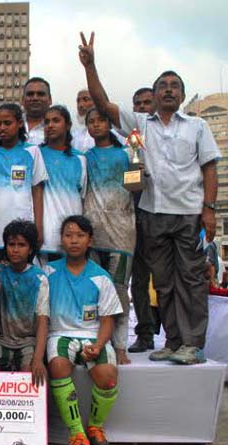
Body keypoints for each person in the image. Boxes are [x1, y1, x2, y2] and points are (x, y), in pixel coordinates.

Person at [80, 31, 220, 364]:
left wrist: (209, 210)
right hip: (152, 212)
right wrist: (90, 65)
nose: (168, 90)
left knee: (191, 280)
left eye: (175, 86)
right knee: (165, 282)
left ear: (182, 95)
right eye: (163, 86)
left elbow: (210, 170)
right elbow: (103, 104)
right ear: (154, 95)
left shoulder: (197, 126)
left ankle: (193, 344)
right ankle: (173, 341)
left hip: (188, 213)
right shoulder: (141, 124)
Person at [46, 215, 122, 445]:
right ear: (61, 240)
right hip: (60, 334)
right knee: (58, 366)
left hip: (92, 336)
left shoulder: (101, 277)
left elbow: (108, 319)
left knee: (108, 377)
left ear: (90, 240)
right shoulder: (48, 271)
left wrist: (99, 345)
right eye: (68, 235)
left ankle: (95, 427)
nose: (74, 240)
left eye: (80, 235)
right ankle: (77, 435)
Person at [82, 108, 135, 365]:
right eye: (90, 122)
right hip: (92, 235)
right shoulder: (84, 157)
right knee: (95, 293)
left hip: (122, 234)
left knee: (119, 292)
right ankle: (100, 344)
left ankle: (121, 346)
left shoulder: (126, 153)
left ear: (109, 123)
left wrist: (137, 159)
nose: (95, 125)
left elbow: (137, 187)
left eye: (101, 120)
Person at [0, 103, 47, 270]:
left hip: (23, 233)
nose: (2, 128)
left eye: (7, 123)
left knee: (20, 282)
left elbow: (37, 190)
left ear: (19, 123)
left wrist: (38, 226)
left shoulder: (32, 151)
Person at [0, 220, 48, 387]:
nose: (15, 249)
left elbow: (43, 321)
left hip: (28, 340)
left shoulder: (39, 278)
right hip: (1, 338)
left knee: (31, 375)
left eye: (21, 245)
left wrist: (38, 359)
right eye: (11, 244)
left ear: (31, 249)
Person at [128, 86, 158, 353]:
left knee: (167, 279)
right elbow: (130, 182)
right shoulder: (131, 140)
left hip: (166, 216)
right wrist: (137, 175)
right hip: (137, 215)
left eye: (147, 102)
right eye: (138, 104)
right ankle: (145, 334)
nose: (142, 107)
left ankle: (177, 335)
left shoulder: (171, 135)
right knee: (139, 280)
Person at [39, 106, 87, 263]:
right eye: (46, 122)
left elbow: (83, 196)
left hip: (71, 238)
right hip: (44, 237)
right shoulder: (35, 155)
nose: (50, 125)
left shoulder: (80, 159)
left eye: (56, 120)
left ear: (68, 125)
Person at [21, 77, 52, 145]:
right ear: (22, 100)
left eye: (40, 94)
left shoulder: (59, 129)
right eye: (30, 94)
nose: (35, 98)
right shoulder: (13, 124)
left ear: (50, 100)